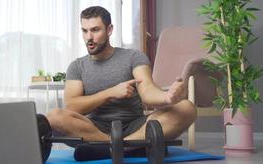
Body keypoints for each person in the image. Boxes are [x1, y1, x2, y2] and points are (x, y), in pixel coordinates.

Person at [46, 6, 196, 145]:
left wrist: (167, 97)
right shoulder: (77, 66)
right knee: (54, 117)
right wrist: (111, 93)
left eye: (95, 30)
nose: (88, 37)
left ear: (109, 30)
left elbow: (147, 90)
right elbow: (72, 106)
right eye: (84, 31)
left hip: (136, 127)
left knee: (187, 108)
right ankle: (124, 146)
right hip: (95, 129)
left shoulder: (133, 57)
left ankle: (117, 146)